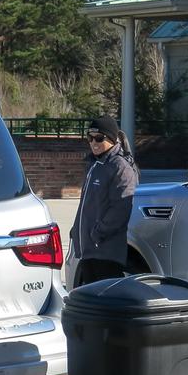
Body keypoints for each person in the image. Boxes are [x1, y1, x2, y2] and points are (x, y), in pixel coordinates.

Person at [70, 116, 139, 287]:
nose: (94, 142)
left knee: (107, 305)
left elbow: (121, 208)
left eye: (99, 138)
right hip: (88, 251)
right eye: (90, 138)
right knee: (91, 306)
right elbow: (87, 206)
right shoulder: (94, 164)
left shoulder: (120, 167)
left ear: (112, 139)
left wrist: (97, 233)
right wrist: (76, 230)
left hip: (106, 253)